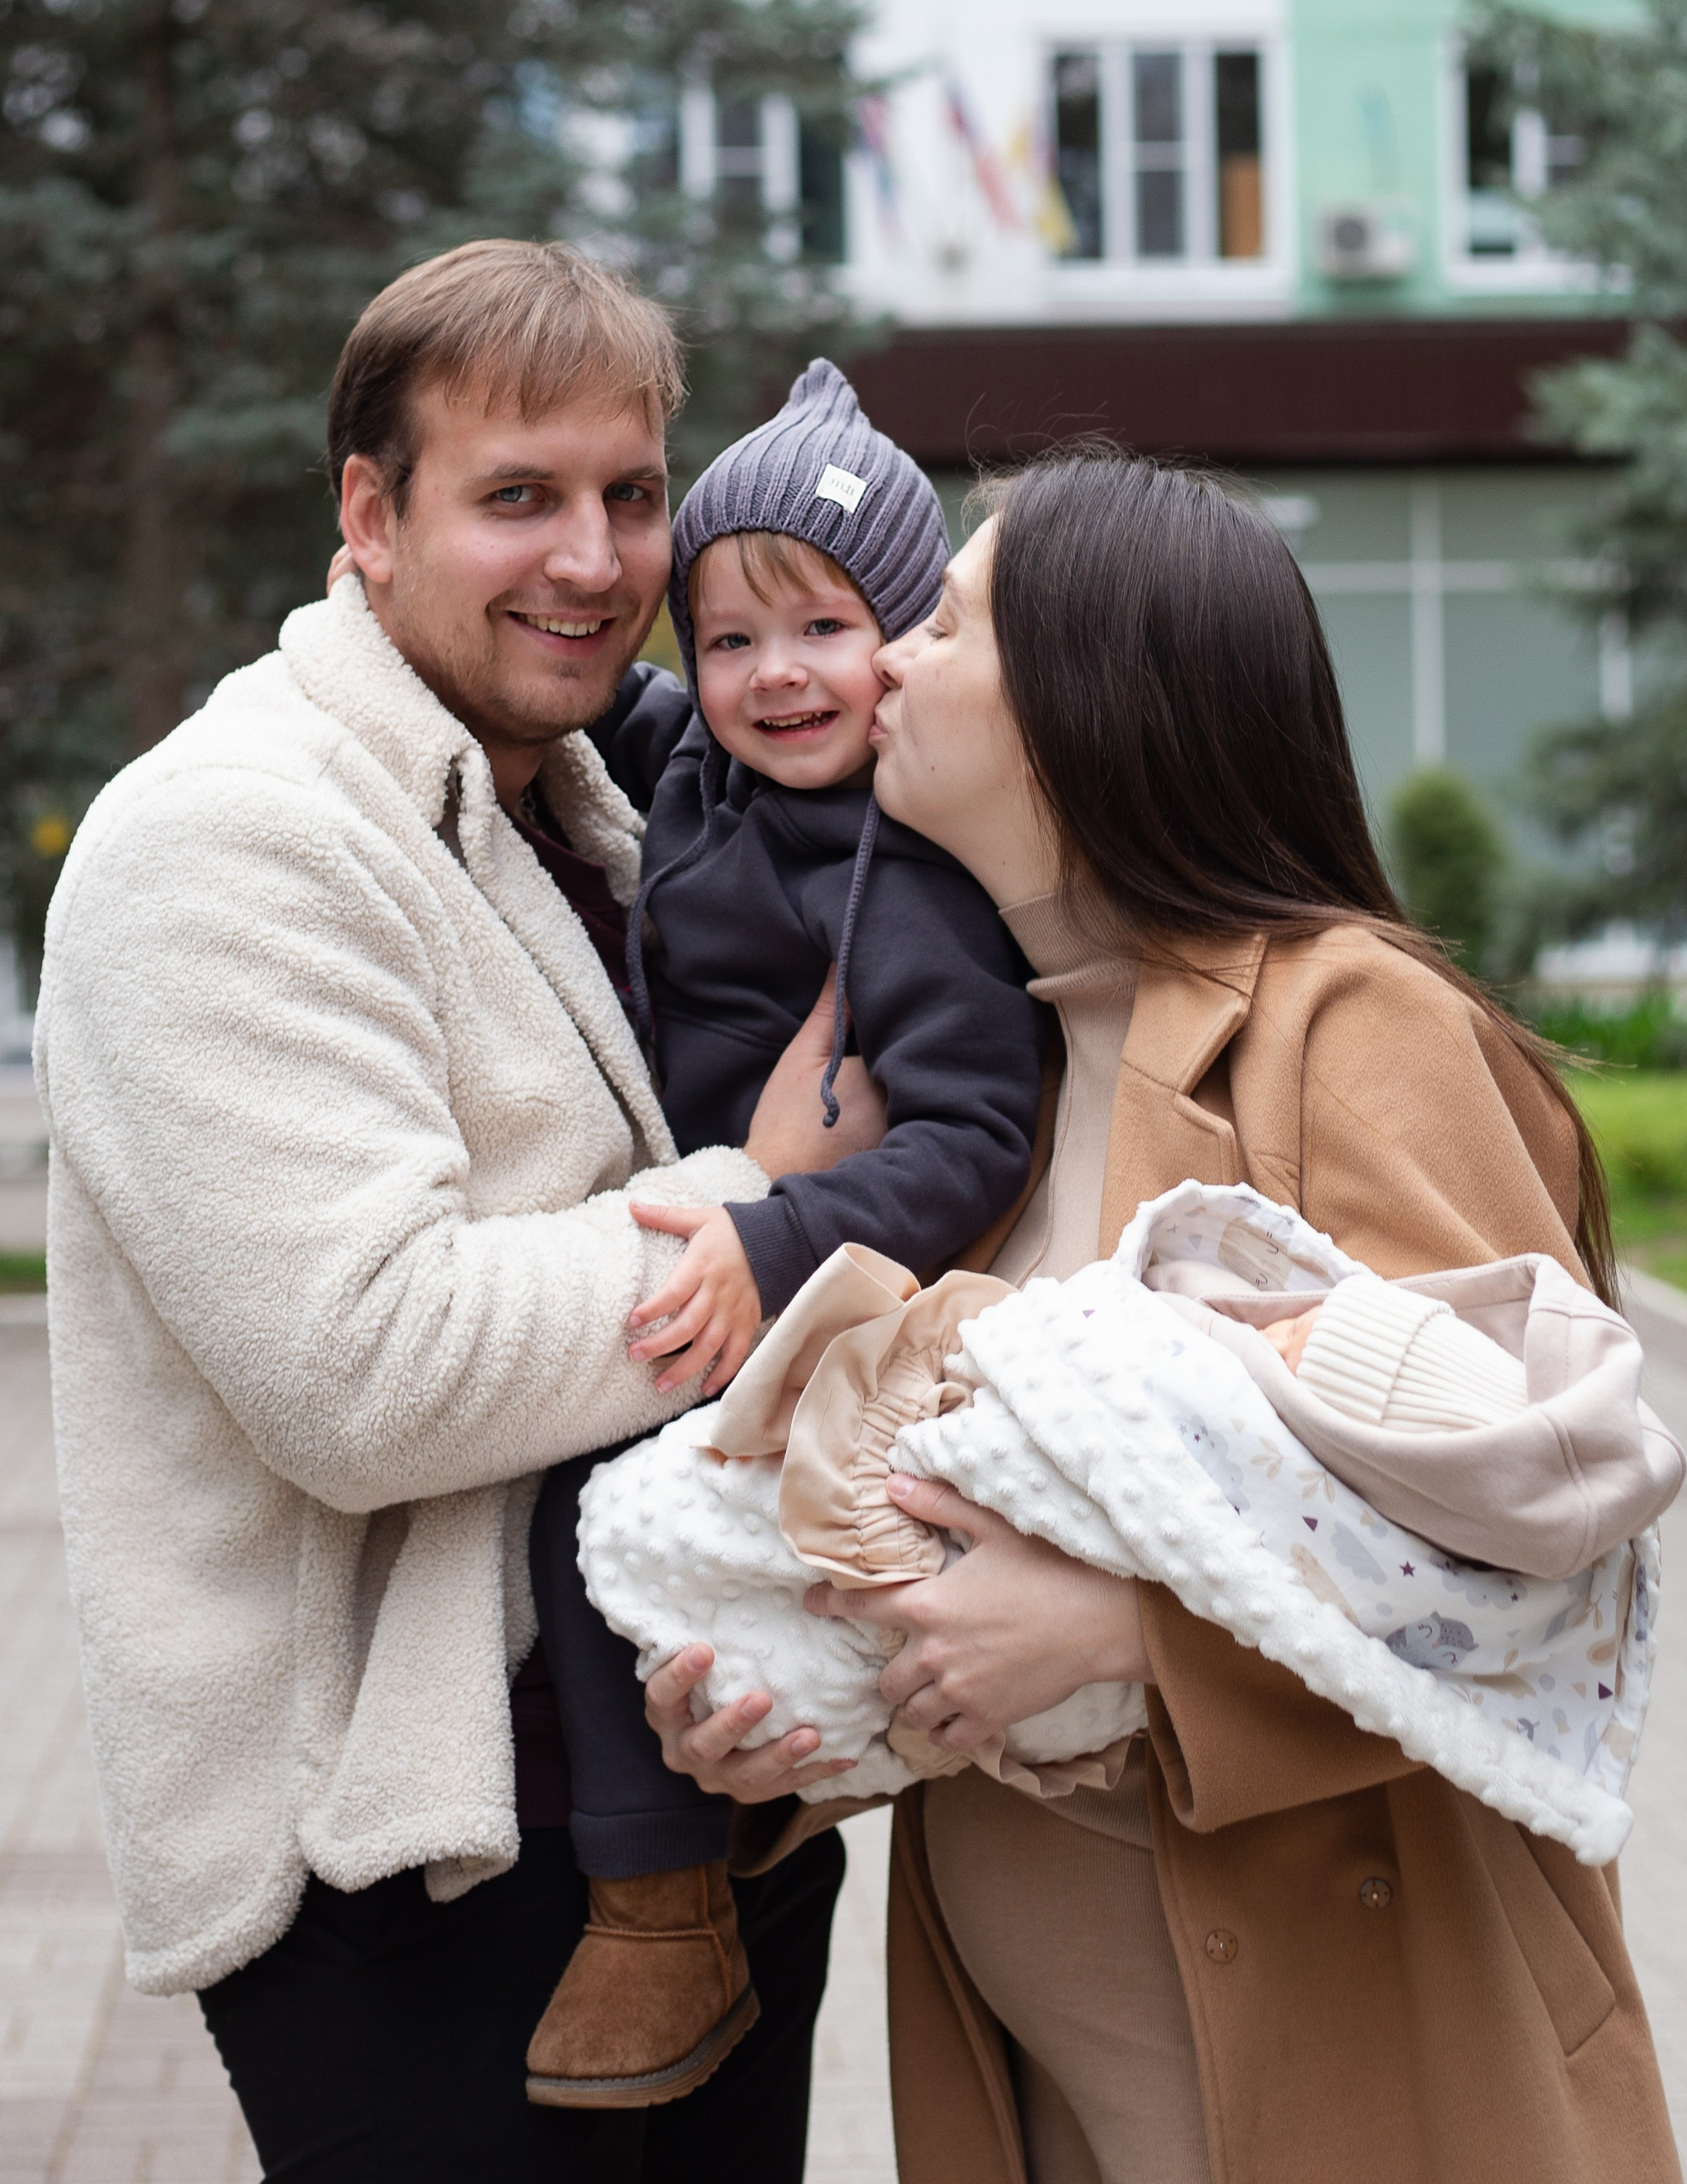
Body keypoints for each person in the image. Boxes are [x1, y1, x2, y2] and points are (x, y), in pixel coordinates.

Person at [637, 454, 1685, 2184]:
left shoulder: (1345, 1022)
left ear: (1078, 701)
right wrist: (772, 1736)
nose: (883, 659)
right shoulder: (992, 1077)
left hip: (1351, 2069)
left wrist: (1129, 1637)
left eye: (945, 622)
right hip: (1048, 2088)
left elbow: (1551, 1538)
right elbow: (973, 1529)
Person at [34, 240, 873, 2183]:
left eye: (630, 495)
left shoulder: (584, 803)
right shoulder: (228, 838)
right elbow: (367, 1366)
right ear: (369, 513)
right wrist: (773, 1203)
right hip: (414, 1863)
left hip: (692, 1798)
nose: (593, 558)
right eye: (517, 497)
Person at [522, 361, 1045, 2112]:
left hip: (811, 1282)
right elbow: (608, 699)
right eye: (730, 638)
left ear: (902, 640)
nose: (773, 677)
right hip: (710, 1244)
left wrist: (785, 1232)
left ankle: (656, 1901)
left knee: (598, 1525)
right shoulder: (702, 765)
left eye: (822, 626)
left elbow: (978, 1128)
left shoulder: (906, 878)